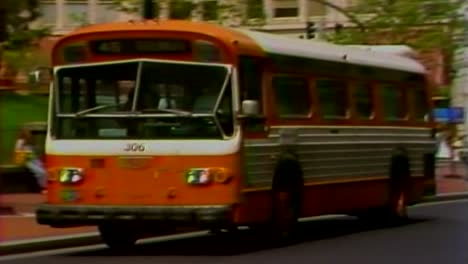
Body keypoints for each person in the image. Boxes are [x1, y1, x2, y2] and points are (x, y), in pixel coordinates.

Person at [14, 128, 47, 194]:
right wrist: (27, 153)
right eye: (27, 133)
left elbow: (34, 152)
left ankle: (45, 186)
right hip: (27, 161)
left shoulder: (29, 141)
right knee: (41, 172)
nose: (29, 135)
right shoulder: (20, 142)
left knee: (44, 169)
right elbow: (19, 153)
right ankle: (43, 187)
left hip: (33, 159)